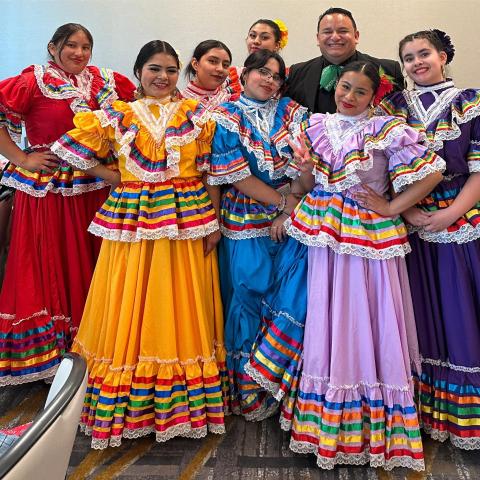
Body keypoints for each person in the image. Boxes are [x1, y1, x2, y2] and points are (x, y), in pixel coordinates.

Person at [52, 40, 226, 449]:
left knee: (179, 299)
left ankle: (174, 400)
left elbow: (210, 172)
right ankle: (129, 394)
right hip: (132, 216)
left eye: (169, 69)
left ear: (179, 73)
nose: (161, 77)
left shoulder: (197, 115)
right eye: (153, 69)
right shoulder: (116, 115)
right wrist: (113, 177)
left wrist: (213, 221)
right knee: (130, 295)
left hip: (187, 216)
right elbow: (71, 149)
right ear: (138, 72)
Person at [281, 61, 445, 470]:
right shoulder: (316, 126)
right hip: (323, 233)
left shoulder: (387, 129)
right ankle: (330, 421)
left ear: (374, 97)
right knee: (327, 313)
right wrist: (302, 173)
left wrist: (391, 206)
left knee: (368, 314)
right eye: (345, 87)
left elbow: (433, 173)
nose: (348, 96)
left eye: (359, 92)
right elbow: (304, 186)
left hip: (369, 234)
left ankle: (369, 422)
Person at [0, 23, 135, 386]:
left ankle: (88, 346)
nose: (79, 53)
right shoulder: (33, 81)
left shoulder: (106, 82)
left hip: (93, 187)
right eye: (71, 45)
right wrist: (22, 158)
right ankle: (49, 356)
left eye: (85, 46)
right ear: (53, 47)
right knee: (49, 262)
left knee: (90, 262)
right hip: (48, 190)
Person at [377, 30, 480, 450]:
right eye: (408, 57)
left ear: (443, 56)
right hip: (408, 224)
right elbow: (377, 168)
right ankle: (421, 411)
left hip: (460, 219)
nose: (417, 62)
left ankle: (464, 417)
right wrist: (408, 210)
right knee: (415, 315)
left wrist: (451, 213)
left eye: (424, 54)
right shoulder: (391, 106)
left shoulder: (471, 101)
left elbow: (478, 169)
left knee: (460, 313)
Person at [209, 49, 308, 420]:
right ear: (245, 74)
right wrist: (283, 203)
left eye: (276, 76)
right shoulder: (226, 115)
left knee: (285, 294)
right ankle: (246, 385)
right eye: (262, 72)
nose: (268, 80)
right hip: (247, 213)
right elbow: (236, 173)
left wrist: (291, 202)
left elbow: (306, 165)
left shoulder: (295, 113)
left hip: (294, 211)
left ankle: (279, 381)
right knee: (248, 291)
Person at [286, 7, 404, 113]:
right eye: (327, 32)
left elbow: (400, 116)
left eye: (343, 31)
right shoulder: (297, 73)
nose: (335, 37)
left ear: (356, 36)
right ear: (318, 38)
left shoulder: (388, 70)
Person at [224, 19, 289, 97]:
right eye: (252, 36)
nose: (256, 41)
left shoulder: (288, 77)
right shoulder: (230, 75)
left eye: (264, 37)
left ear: (277, 45)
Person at [182, 39, 238, 108]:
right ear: (195, 64)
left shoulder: (232, 101)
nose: (220, 69)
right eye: (212, 61)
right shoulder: (179, 102)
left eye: (225, 65)